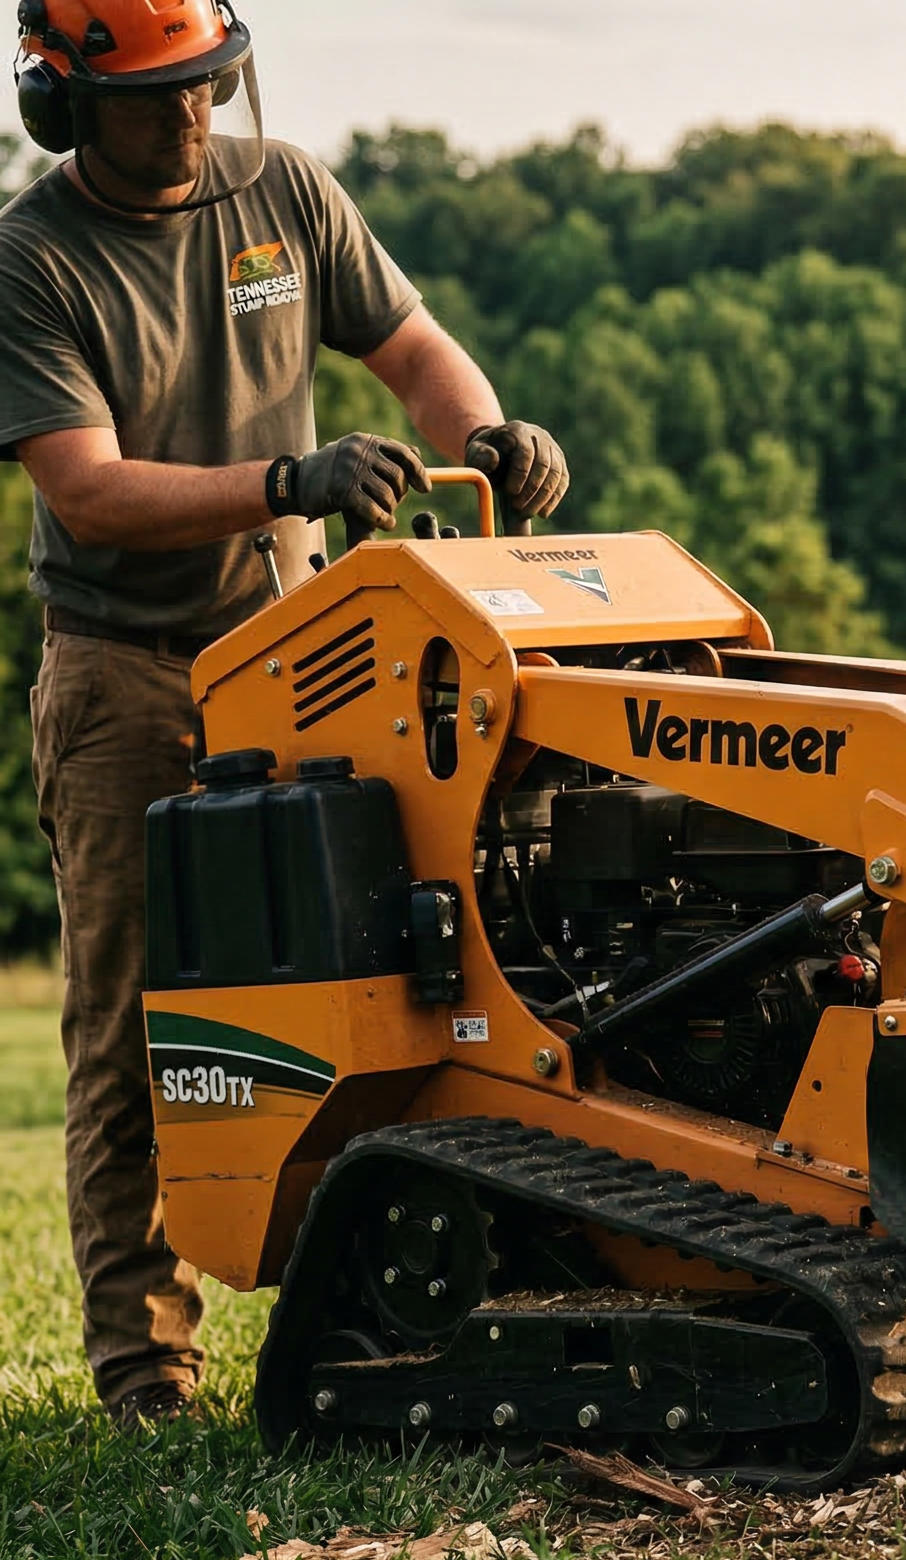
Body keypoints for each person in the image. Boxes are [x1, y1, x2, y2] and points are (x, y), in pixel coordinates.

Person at [0, 0, 571, 1430]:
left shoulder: (286, 187)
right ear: (62, 104)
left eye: (210, 86)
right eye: (153, 99)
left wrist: (485, 433)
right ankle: (149, 1381)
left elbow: (417, 346)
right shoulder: (30, 260)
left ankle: (388, 1310)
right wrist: (284, 482)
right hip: (126, 672)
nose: (193, 118)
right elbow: (86, 487)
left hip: (306, 652)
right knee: (137, 1025)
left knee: (401, 974)